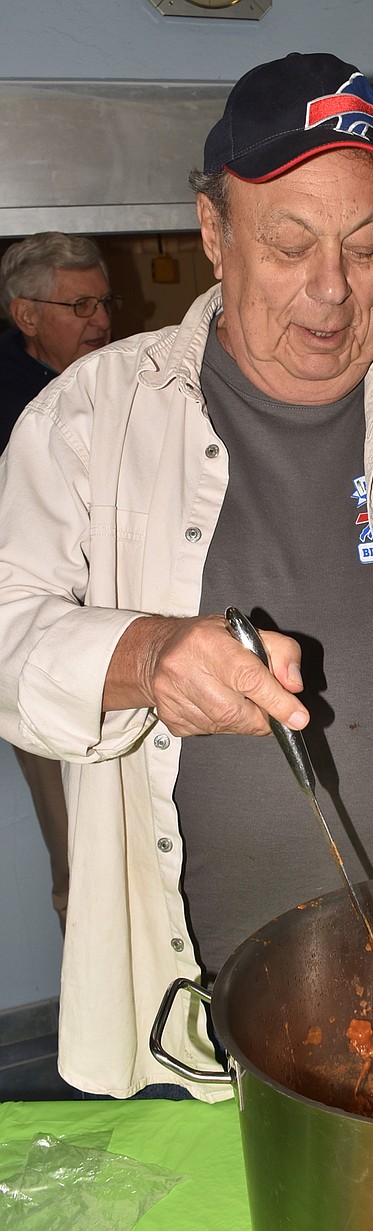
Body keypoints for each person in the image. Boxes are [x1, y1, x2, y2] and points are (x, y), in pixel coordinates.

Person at [0, 56, 373, 1100]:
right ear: (214, 232)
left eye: (365, 248)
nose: (331, 290)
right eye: (292, 245)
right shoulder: (89, 420)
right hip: (194, 1007)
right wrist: (146, 655)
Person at [0, 231, 119, 930]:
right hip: (43, 649)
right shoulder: (16, 403)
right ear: (25, 315)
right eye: (79, 306)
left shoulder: (111, 383)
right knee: (77, 853)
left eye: (103, 302)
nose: (100, 320)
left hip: (121, 639)